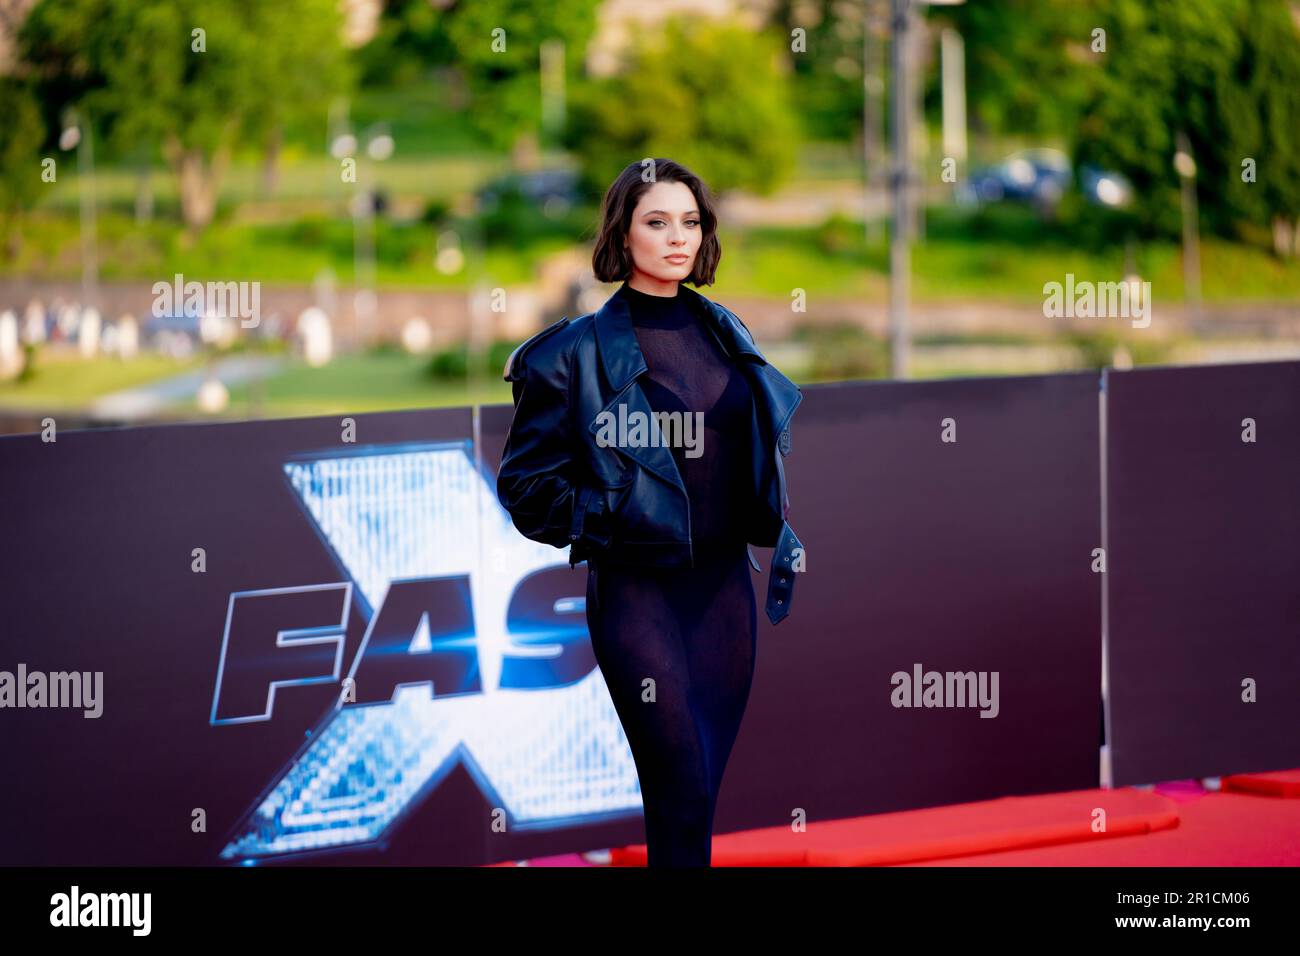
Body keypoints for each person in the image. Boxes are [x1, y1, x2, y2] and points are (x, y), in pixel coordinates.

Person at [497, 158, 804, 866]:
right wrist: (615, 517)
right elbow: (527, 487)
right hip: (639, 597)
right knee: (680, 785)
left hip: (725, 593)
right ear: (622, 234)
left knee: (697, 799)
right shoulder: (570, 354)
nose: (678, 238)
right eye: (657, 222)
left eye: (690, 222)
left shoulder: (728, 333)